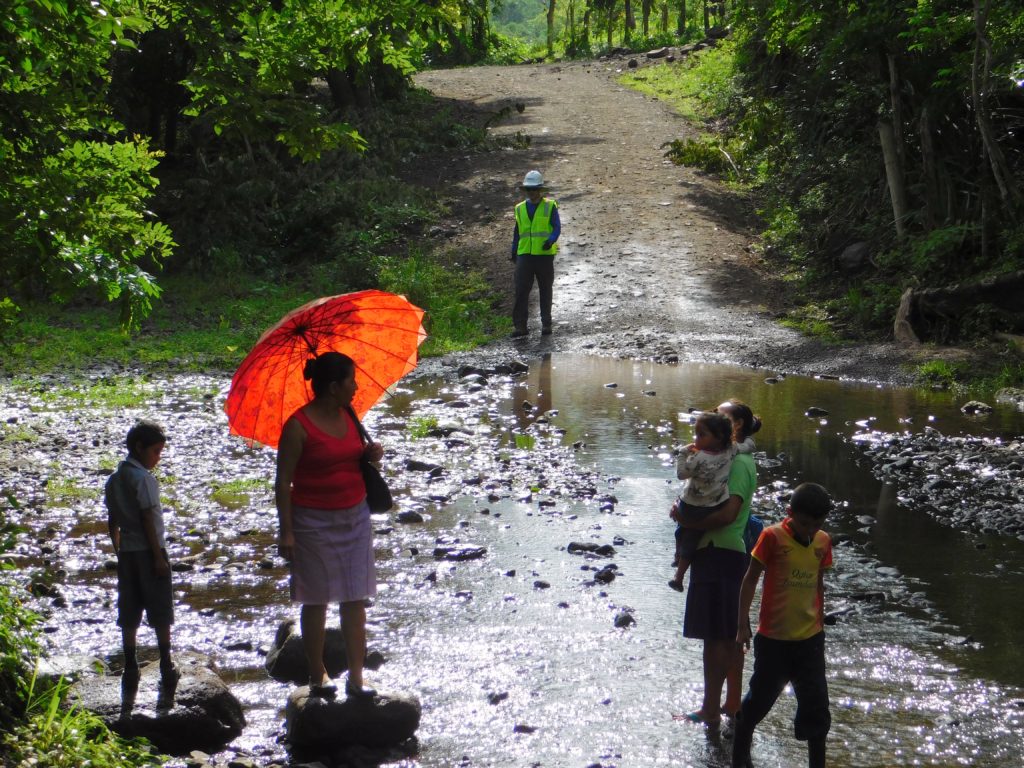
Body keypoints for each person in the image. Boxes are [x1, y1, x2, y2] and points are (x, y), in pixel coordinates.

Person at [275, 351, 384, 699]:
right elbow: (282, 483)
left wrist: (370, 455)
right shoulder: (297, 426)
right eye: (351, 381)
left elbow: (350, 457)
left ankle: (356, 676)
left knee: (355, 597)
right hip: (311, 522)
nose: (356, 387)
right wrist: (287, 530)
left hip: (355, 516)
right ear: (334, 386)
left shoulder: (350, 415)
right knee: (316, 599)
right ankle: (317, 673)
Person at [732, 483, 834, 768]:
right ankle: (739, 756)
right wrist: (742, 624)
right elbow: (750, 579)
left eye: (817, 524)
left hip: (810, 640)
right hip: (774, 639)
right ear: (790, 513)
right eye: (804, 523)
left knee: (816, 705)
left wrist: (820, 622)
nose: (810, 530)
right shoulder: (772, 537)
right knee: (760, 700)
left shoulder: (823, 542)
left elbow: (818, 583)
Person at [675, 399, 761, 728]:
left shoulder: (738, 463)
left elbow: (728, 514)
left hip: (720, 551)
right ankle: (731, 704)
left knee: (716, 639)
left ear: (736, 427)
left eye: (723, 418)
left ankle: (711, 709)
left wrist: (686, 520)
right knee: (728, 635)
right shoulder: (726, 459)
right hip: (723, 552)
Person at [105, 420, 178, 689]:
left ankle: (131, 664)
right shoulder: (144, 479)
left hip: (128, 553)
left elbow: (112, 521)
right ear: (139, 447)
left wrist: (118, 549)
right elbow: (148, 518)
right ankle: (167, 663)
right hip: (150, 551)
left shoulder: (113, 480)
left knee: (129, 609)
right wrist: (158, 558)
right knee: (160, 607)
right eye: (156, 451)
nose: (158, 458)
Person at [669, 412, 755, 592]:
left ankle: (678, 571)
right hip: (713, 505)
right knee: (688, 536)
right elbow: (748, 446)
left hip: (692, 504)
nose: (696, 438)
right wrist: (748, 441)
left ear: (718, 438)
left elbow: (681, 474)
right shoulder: (731, 451)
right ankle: (678, 563)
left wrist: (682, 453)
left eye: (701, 434)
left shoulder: (699, 457)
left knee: (685, 533)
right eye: (696, 434)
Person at [510, 169, 561, 338]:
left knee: (545, 289)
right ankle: (520, 326)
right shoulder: (519, 209)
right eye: (529, 190)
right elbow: (517, 232)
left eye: (535, 189)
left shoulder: (550, 206)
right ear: (526, 191)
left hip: (544, 255)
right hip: (524, 255)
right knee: (521, 290)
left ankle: (546, 324)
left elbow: (556, 227)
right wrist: (513, 251)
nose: (532, 193)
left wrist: (551, 240)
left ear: (540, 190)